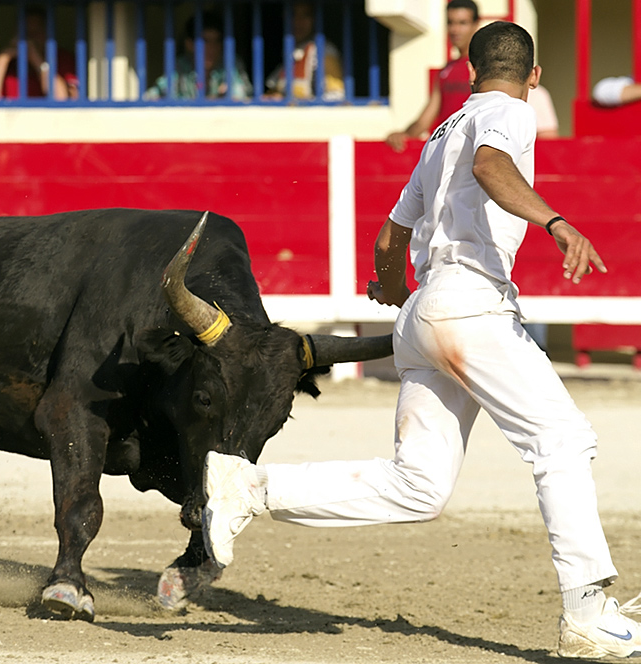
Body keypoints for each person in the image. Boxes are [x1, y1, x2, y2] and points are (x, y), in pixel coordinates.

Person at [203, 21, 641, 659]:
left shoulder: (442, 132)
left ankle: (252, 487)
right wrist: (556, 220)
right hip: (471, 307)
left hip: (425, 311)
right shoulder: (509, 112)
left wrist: (392, 289)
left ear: (468, 72)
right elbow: (492, 166)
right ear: (535, 77)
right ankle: (587, 609)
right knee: (562, 440)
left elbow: (389, 236)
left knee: (420, 486)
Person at [385, 0, 479, 152]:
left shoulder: (485, 67)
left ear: (475, 25)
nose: (455, 30)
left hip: (472, 152)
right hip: (446, 154)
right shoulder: (445, 71)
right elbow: (424, 121)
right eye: (450, 22)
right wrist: (403, 135)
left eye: (462, 23)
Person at [0, 7, 78, 100]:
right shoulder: (7, 63)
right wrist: (3, 60)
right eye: (25, 33)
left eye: (36, 32)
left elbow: (61, 99)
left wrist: (37, 60)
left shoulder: (61, 58)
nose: (30, 38)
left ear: (47, 35)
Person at [144, 13, 253, 101]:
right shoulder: (180, 67)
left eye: (217, 41)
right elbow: (152, 96)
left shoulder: (231, 64)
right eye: (205, 41)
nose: (212, 48)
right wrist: (217, 99)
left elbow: (239, 96)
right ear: (189, 44)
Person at [265, 1, 345, 101]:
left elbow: (337, 96)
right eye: (293, 14)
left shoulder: (324, 50)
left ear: (314, 19)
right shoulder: (293, 50)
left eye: (305, 15)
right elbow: (275, 90)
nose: (298, 21)